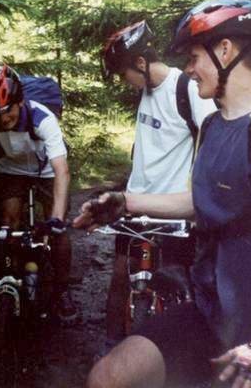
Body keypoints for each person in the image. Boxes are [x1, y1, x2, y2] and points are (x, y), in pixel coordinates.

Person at [75, 0, 251, 388]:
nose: (189, 70)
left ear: (225, 50)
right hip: (211, 317)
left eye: (194, 57)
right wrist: (124, 203)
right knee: (108, 377)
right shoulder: (212, 128)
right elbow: (201, 201)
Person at [100, 21, 216, 353]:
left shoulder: (186, 89)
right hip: (133, 204)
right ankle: (113, 348)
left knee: (174, 285)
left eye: (125, 74)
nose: (125, 82)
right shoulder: (147, 90)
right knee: (120, 278)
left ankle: (176, 355)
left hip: (171, 209)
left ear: (141, 63)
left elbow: (212, 142)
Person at [0, 63, 77, 323]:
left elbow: (62, 171)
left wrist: (56, 218)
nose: (3, 120)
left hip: (46, 169)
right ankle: (12, 277)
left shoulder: (42, 117)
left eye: (8, 112)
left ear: (19, 101)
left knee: (58, 229)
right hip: (12, 169)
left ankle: (61, 290)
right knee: (8, 223)